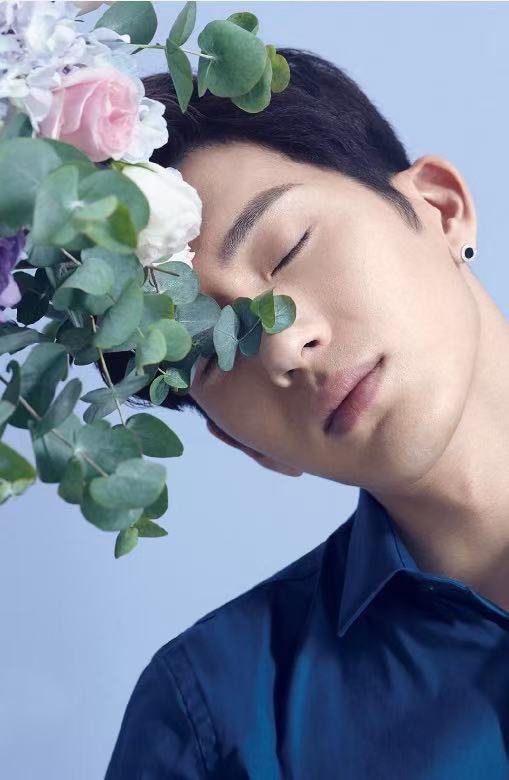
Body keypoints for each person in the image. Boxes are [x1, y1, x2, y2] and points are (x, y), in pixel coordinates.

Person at [103, 47, 509, 778]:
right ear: (241, 443)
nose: (284, 346)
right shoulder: (213, 718)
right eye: (214, 353)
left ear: (440, 208)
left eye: (287, 249)